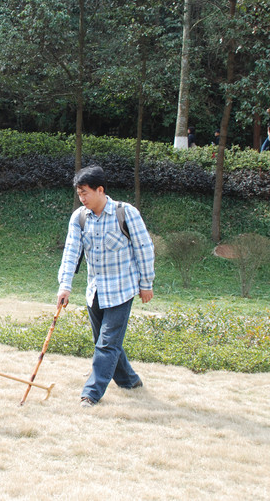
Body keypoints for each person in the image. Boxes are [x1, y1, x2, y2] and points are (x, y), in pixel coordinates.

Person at [56, 166, 155, 408]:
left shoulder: (125, 213)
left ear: (100, 190)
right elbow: (71, 253)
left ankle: (91, 393)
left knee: (107, 343)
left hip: (122, 289)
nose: (82, 198)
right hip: (96, 290)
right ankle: (129, 381)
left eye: (85, 193)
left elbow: (144, 249)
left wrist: (146, 284)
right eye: (79, 194)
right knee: (104, 341)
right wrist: (64, 286)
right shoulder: (79, 218)